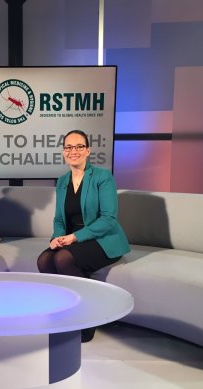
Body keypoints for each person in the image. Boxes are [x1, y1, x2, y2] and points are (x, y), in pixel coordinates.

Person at [37, 129, 130, 342]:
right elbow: (60, 219)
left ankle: (88, 320)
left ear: (88, 150)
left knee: (63, 258)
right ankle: (63, 316)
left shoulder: (102, 177)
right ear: (63, 152)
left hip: (103, 239)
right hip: (73, 240)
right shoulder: (62, 181)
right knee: (44, 259)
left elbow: (109, 219)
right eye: (69, 147)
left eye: (79, 146)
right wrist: (58, 237)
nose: (74, 151)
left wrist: (74, 237)